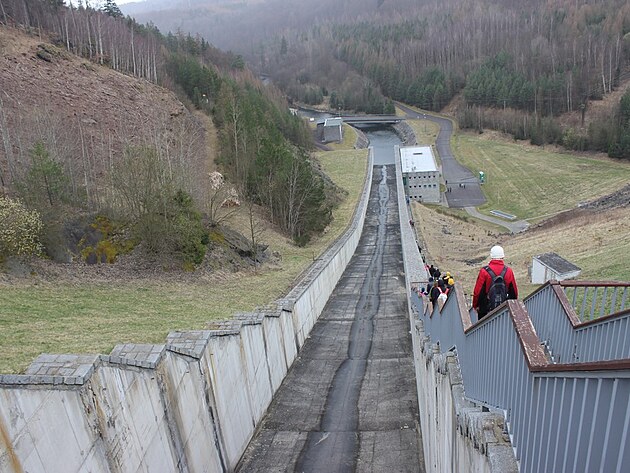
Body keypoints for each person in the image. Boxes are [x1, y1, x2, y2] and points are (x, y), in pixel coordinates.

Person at [472, 245, 518, 320]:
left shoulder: (484, 271)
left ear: (491, 256)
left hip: (485, 310)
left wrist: (476, 305)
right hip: (503, 309)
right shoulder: (509, 271)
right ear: (502, 256)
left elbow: (478, 292)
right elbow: (514, 292)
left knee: (484, 330)